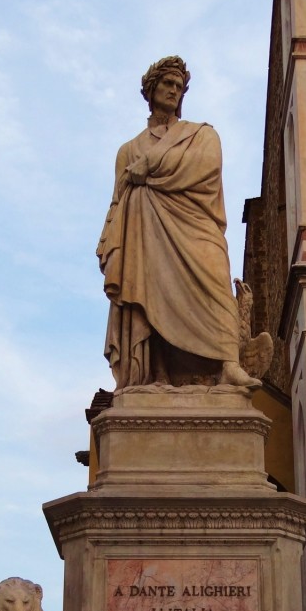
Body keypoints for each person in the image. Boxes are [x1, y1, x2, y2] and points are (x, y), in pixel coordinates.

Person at [97, 56, 256, 389]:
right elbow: (118, 200)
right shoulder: (128, 150)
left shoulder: (201, 135)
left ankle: (228, 363)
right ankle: (155, 373)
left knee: (216, 282)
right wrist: (109, 243)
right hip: (146, 234)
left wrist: (151, 169)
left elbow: (206, 166)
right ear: (152, 88)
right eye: (167, 84)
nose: (174, 91)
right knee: (148, 291)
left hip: (197, 226)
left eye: (179, 87)